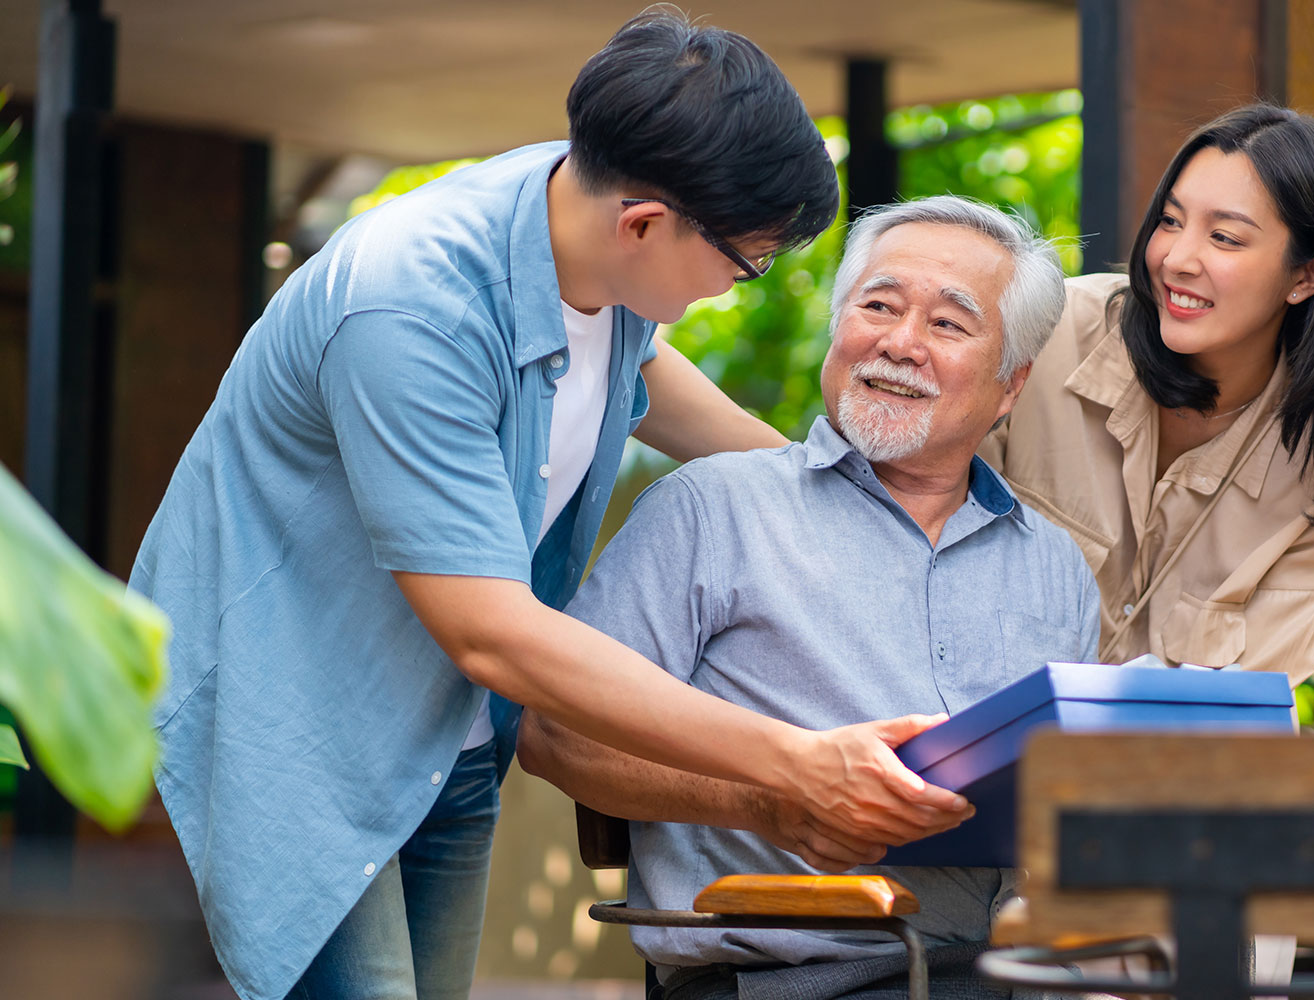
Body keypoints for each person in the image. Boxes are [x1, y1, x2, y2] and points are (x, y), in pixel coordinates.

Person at [130, 12, 968, 1000]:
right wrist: (796, 762)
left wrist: (830, 495)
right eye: (743, 262)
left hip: (445, 727)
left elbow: (639, 369)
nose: (736, 286)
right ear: (643, 225)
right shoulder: (411, 309)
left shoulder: (576, 208)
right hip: (302, 715)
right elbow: (491, 634)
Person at [516, 196, 1094, 1000]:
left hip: (1007, 974)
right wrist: (770, 802)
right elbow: (554, 734)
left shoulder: (1055, 566)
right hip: (789, 977)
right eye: (878, 306)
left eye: (948, 324)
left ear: (1010, 386)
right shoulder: (713, 508)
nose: (901, 343)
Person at [979, 103, 1314, 687]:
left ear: (1307, 275)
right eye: (1170, 220)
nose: (1177, 259)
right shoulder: (1045, 333)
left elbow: (1241, 704)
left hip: (1169, 748)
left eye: (1225, 237)